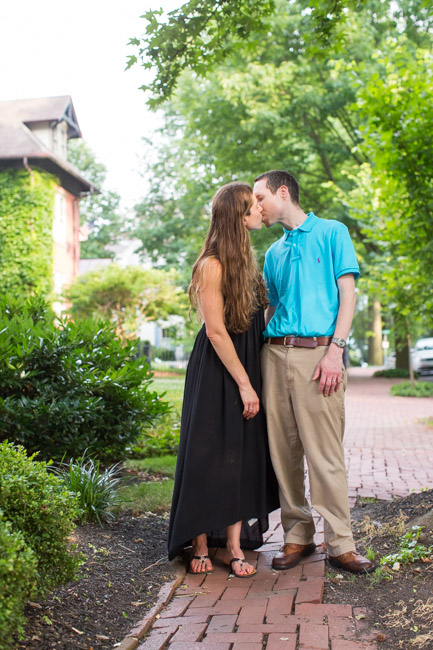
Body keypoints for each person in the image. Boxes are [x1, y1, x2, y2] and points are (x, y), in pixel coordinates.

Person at [253, 170, 375, 574]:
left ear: (282, 192)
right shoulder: (273, 253)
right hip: (275, 355)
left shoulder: (332, 232)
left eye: (260, 198)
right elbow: (270, 309)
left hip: (318, 354)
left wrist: (334, 351)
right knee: (283, 452)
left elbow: (348, 294)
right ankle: (296, 536)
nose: (256, 207)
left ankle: (340, 542)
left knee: (324, 454)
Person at [167, 182, 279, 578]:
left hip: (246, 360)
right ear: (238, 215)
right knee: (207, 453)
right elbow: (216, 332)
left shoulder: (250, 261)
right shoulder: (210, 265)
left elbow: (259, 319)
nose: (260, 211)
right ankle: (199, 543)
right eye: (253, 206)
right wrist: (245, 384)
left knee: (240, 453)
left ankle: (233, 545)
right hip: (218, 367)